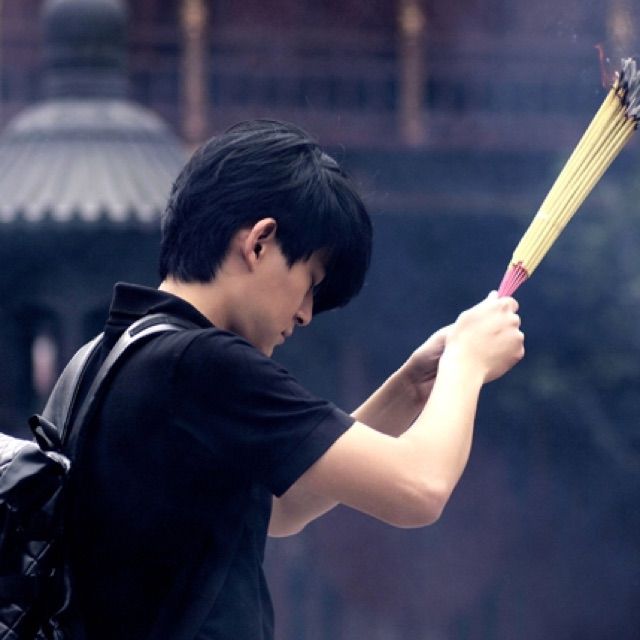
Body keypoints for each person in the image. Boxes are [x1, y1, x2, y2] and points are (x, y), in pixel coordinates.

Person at [59, 119, 524, 639]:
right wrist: (469, 362)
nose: (304, 314)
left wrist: (410, 387)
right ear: (260, 242)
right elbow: (419, 488)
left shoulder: (101, 360)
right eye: (309, 283)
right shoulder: (204, 363)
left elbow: (280, 507)